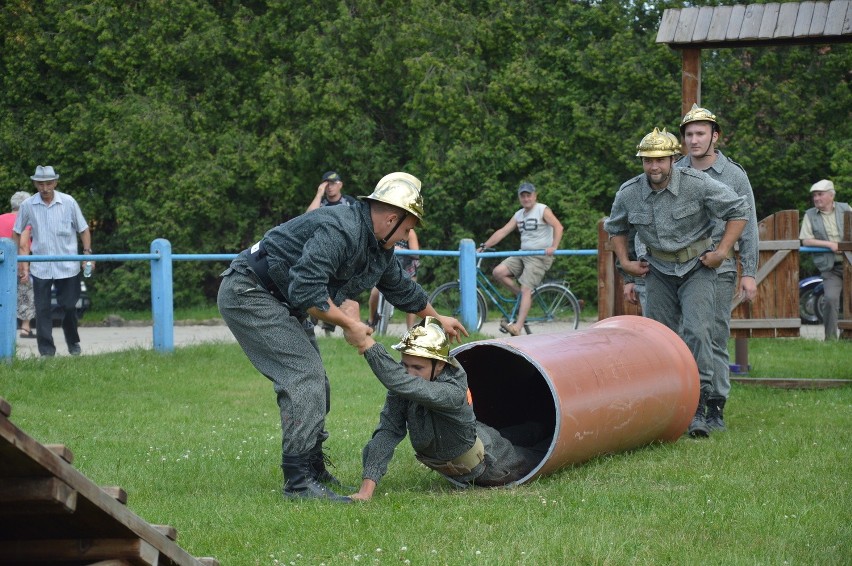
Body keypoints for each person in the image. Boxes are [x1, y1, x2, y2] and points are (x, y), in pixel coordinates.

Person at [217, 172, 468, 502]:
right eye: (407, 228)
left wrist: (437, 316)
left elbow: (400, 287)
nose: (407, 236)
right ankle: (298, 483)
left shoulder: (377, 247)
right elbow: (307, 289)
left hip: (283, 300)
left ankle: (312, 469)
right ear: (392, 218)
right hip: (250, 291)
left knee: (318, 382)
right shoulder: (342, 229)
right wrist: (349, 324)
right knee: (303, 378)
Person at [604, 127, 750, 438]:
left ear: (673, 159)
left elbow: (739, 210)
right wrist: (626, 263)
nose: (653, 167)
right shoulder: (629, 191)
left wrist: (722, 252)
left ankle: (700, 406)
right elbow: (615, 228)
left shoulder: (697, 184)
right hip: (657, 269)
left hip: (697, 267)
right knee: (659, 339)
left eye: (659, 160)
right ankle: (667, 405)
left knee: (698, 331)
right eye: (647, 161)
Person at [349, 317, 547, 501]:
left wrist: (368, 345)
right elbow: (388, 431)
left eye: (418, 368)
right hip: (481, 433)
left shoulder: (452, 389)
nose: (408, 373)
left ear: (440, 366)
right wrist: (366, 489)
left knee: (540, 454)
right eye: (405, 365)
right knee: (523, 431)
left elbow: (406, 384)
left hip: (491, 460)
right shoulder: (403, 388)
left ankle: (546, 426)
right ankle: (537, 426)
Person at [675, 104, 760, 432]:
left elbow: (748, 224)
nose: (694, 140)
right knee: (684, 337)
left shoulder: (734, 175)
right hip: (678, 268)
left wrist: (749, 272)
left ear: (715, 136)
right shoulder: (675, 168)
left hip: (718, 267)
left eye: (700, 133)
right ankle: (689, 404)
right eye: (689, 134)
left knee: (713, 335)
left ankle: (716, 407)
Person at [13, 166, 93, 357]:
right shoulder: (28, 205)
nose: (45, 187)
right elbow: (16, 232)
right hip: (41, 266)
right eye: (40, 183)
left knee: (69, 306)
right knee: (42, 310)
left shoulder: (68, 202)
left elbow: (83, 229)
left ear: (55, 182)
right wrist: (17, 260)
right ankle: (47, 352)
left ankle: (73, 341)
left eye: (49, 183)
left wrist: (87, 255)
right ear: (35, 184)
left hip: (68, 265)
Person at [477, 182, 564, 336]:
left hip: (539, 256)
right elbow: (503, 232)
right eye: (523, 196)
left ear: (535, 196)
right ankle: (522, 296)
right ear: (519, 198)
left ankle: (517, 326)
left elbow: (558, 226)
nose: (526, 198)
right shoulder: (519, 214)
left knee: (526, 288)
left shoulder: (542, 210)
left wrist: (554, 246)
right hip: (523, 254)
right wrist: (483, 246)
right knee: (498, 272)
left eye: (528, 195)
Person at [306, 170, 360, 329]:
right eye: (326, 184)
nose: (330, 187)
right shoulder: (321, 204)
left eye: (333, 184)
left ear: (340, 185)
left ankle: (330, 324)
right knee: (318, 284)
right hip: (323, 251)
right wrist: (318, 194)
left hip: (344, 253)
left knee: (337, 288)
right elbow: (308, 217)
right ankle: (314, 318)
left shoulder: (349, 203)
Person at [799, 179, 850, 341]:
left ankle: (847, 336)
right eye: (814, 195)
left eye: (820, 194)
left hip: (850, 263)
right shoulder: (810, 214)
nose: (816, 198)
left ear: (831, 196)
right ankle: (830, 339)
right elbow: (806, 240)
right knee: (830, 299)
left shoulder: (846, 208)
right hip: (831, 268)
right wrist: (831, 245)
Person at [367, 229, 420, 330]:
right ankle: (371, 320)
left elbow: (416, 254)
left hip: (407, 267)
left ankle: (410, 329)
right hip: (386, 266)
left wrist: (403, 250)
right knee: (375, 293)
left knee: (413, 295)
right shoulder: (385, 229)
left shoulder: (410, 232)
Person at [0, 191, 36, 338]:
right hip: (18, 263)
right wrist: (24, 267)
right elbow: (24, 246)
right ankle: (25, 328)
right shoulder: (26, 222)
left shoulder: (0, 218)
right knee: (25, 294)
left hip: (1, 264)